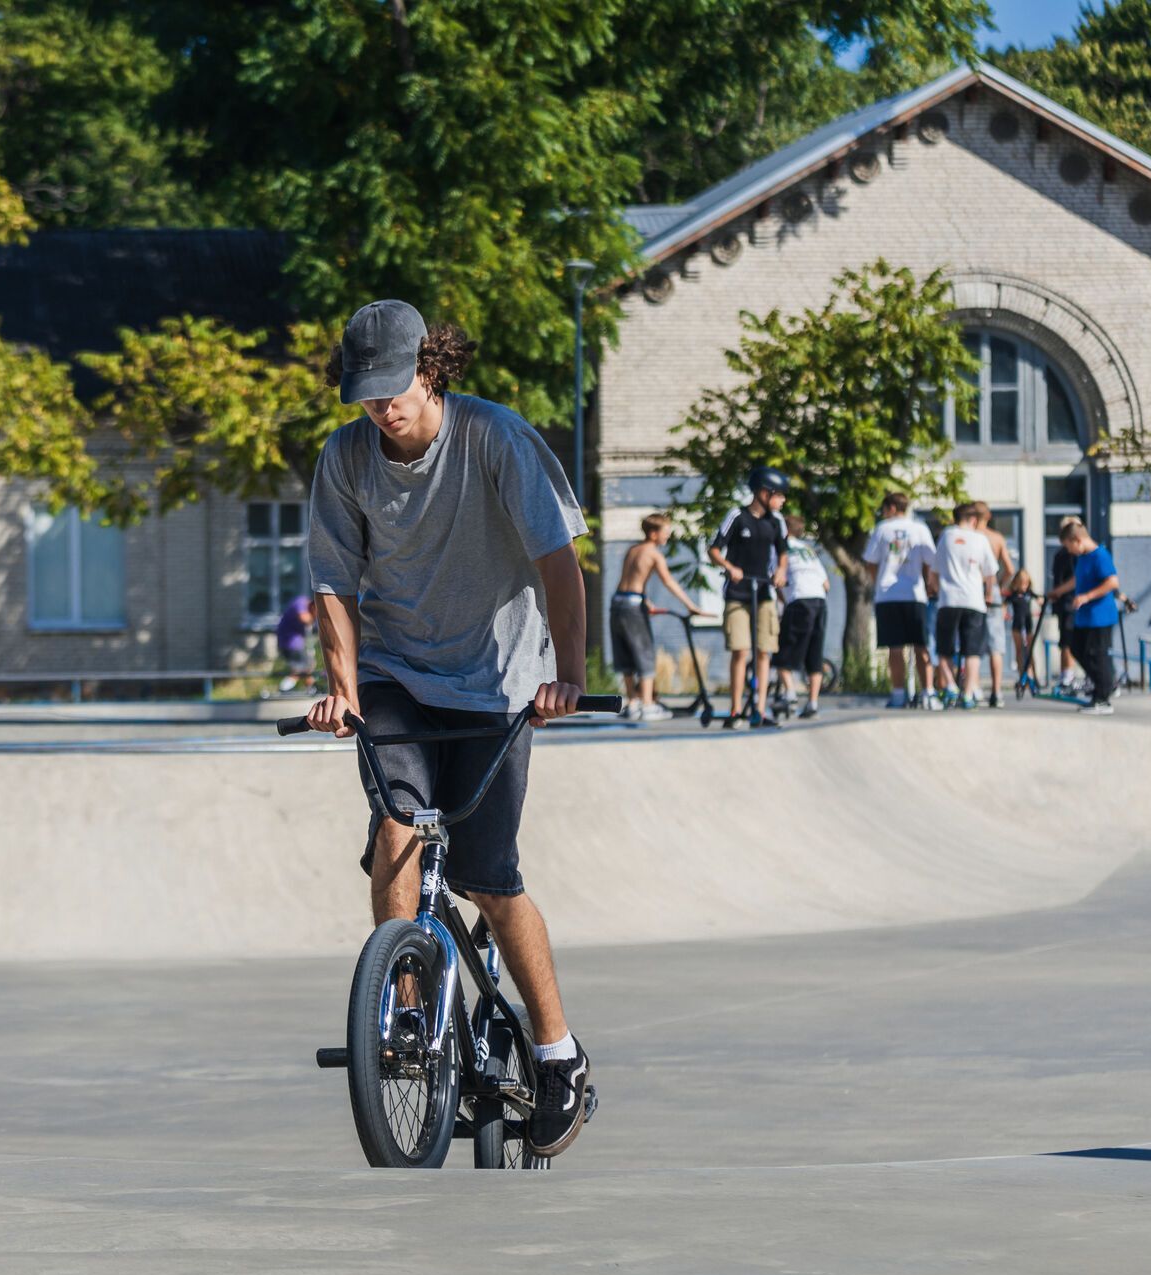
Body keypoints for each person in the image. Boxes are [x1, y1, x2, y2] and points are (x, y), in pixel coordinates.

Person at [303, 299, 593, 1156]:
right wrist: (342, 690)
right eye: (365, 396)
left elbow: (559, 567)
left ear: (431, 370)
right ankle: (406, 1019)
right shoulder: (347, 458)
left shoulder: (495, 440)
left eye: (394, 390)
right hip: (397, 676)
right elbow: (332, 586)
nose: (380, 409)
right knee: (395, 827)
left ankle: (557, 1052)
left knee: (489, 877)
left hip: (498, 683)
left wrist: (567, 676)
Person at [709, 466, 790, 729]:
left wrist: (780, 571)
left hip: (764, 592)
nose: (782, 501)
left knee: (765, 650)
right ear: (763, 493)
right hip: (738, 592)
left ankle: (759, 708)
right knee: (741, 650)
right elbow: (715, 549)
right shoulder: (737, 516)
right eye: (779, 495)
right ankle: (735, 710)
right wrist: (730, 568)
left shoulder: (776, 522)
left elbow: (783, 553)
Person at [612, 512, 700, 722]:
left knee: (625, 654)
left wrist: (646, 600)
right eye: (665, 532)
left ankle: (633, 703)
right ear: (653, 533)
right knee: (644, 653)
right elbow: (669, 582)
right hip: (633, 606)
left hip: (618, 602)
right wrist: (691, 606)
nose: (667, 537)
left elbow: (630, 580)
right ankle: (648, 705)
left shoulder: (632, 550)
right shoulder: (653, 553)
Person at [862, 493, 939, 709]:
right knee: (920, 645)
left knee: (895, 648)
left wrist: (877, 581)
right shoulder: (920, 528)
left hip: (888, 595)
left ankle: (898, 694)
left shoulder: (882, 529)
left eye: (885, 508)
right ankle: (928, 693)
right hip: (915, 595)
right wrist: (928, 583)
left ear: (893, 508)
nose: (883, 513)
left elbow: (871, 562)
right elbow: (931, 561)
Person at [1049, 520, 1119, 715]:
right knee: (1077, 649)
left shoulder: (1100, 555)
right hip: (1084, 617)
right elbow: (1077, 579)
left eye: (1069, 546)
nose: (1069, 551)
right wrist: (1058, 591)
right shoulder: (1083, 558)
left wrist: (1087, 596)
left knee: (1097, 654)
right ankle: (1101, 686)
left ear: (1077, 540)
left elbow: (1112, 582)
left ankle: (1103, 698)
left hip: (1100, 616)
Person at [934, 502, 1000, 710]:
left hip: (948, 600)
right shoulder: (980, 539)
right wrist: (988, 594)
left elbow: (934, 570)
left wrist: (936, 590)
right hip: (974, 601)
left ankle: (951, 685)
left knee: (944, 648)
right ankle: (969, 693)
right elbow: (991, 572)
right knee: (972, 651)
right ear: (973, 520)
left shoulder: (946, 536)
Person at [774, 513, 831, 718]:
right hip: (820, 602)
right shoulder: (807, 549)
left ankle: (789, 694)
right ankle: (813, 703)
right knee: (814, 655)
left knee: (781, 653)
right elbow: (827, 584)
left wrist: (783, 600)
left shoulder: (780, 548)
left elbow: (777, 580)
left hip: (799, 601)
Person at [972, 503, 1019, 707]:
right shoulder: (997, 538)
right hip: (993, 593)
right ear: (989, 516)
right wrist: (999, 585)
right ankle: (997, 691)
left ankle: (973, 688)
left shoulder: (970, 537)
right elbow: (1010, 568)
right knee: (996, 645)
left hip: (973, 590)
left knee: (969, 643)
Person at [1050, 516, 1081, 693]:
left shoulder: (1077, 555)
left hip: (1073, 603)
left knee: (1071, 641)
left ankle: (1069, 676)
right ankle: (1066, 675)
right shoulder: (1061, 554)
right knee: (1065, 641)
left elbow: (1077, 579)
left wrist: (1059, 592)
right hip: (1064, 604)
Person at [275, 593, 316, 694]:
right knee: (301, 669)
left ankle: (310, 687)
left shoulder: (306, 606)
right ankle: (284, 688)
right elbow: (305, 618)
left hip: (293, 643)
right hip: (290, 643)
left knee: (307, 666)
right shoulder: (301, 602)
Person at [1007, 569, 1038, 689]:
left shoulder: (1029, 594)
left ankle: (1034, 677)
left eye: (1026, 583)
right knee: (1019, 651)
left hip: (1028, 625)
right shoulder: (1013, 596)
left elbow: (1039, 599)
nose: (1023, 586)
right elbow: (1004, 604)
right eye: (1021, 583)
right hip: (1017, 626)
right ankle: (1022, 677)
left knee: (1030, 651)